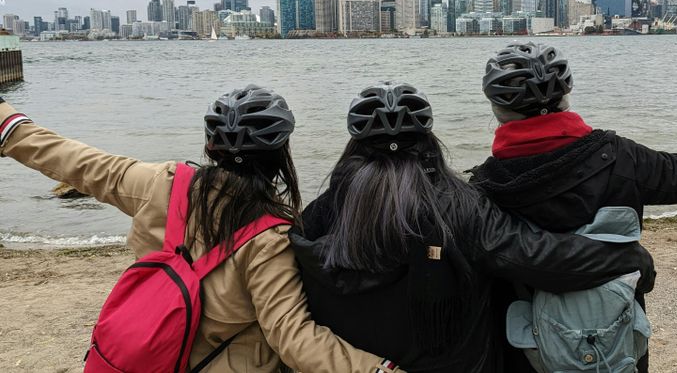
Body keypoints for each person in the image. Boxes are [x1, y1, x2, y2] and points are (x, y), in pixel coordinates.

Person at [0, 86, 401, 373]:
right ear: (281, 155)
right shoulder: (270, 239)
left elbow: (74, 161)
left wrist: (7, 119)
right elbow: (294, 338)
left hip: (146, 351)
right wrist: (378, 368)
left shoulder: (160, 183)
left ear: (210, 147)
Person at [469, 43, 677, 372]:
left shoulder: (482, 190)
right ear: (565, 97)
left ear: (498, 109)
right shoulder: (618, 158)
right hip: (617, 343)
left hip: (525, 350)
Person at [289, 81, 656, 373]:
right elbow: (541, 257)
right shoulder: (459, 205)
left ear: (354, 147)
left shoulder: (317, 216)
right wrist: (625, 257)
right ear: (428, 143)